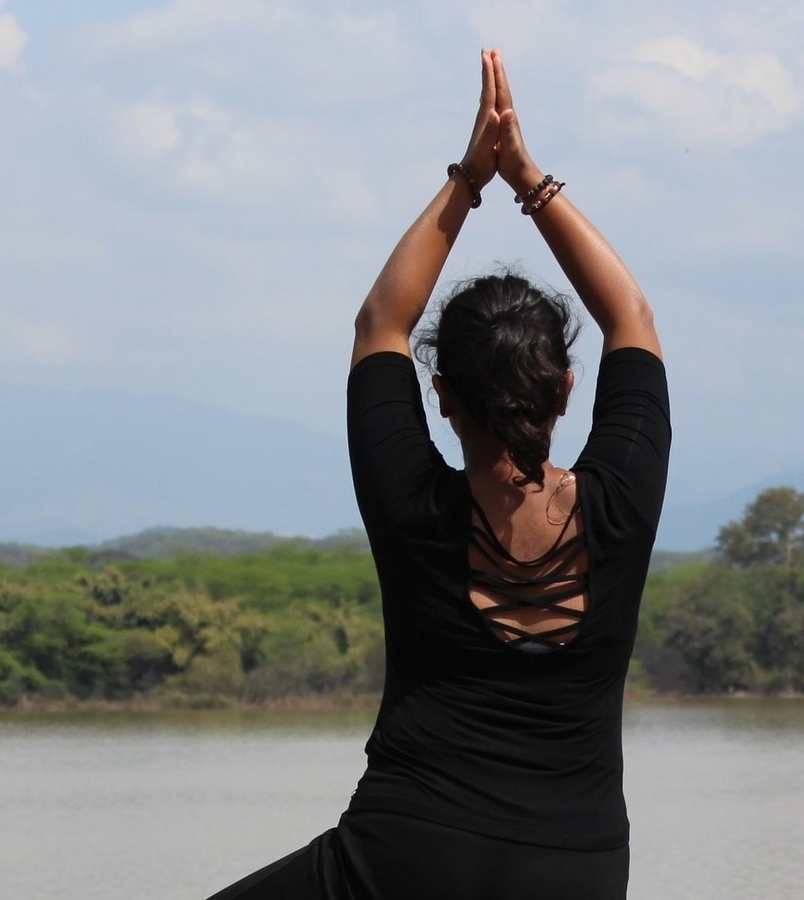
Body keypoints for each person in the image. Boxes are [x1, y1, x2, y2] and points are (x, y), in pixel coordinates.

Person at [206, 49, 669, 900]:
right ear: (567, 391)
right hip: (579, 872)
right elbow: (629, 316)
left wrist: (470, 179)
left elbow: (382, 321)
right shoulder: (620, 507)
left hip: (403, 858)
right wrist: (529, 177)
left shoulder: (413, 508)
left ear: (442, 394)